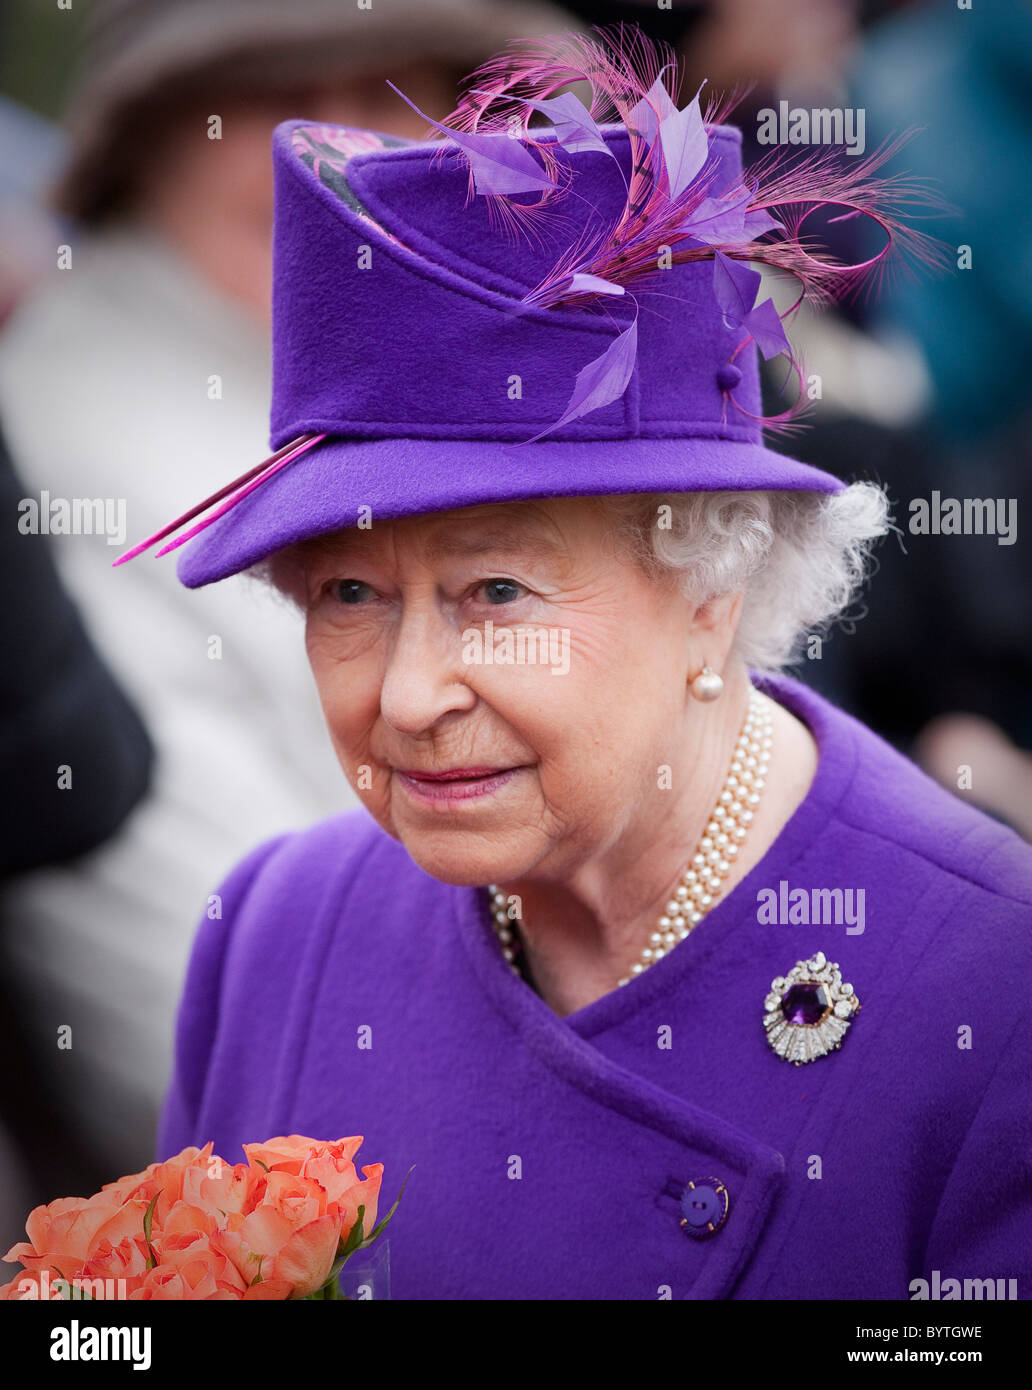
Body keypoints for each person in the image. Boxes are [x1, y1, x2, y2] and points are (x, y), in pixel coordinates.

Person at [150, 31, 1031, 1299]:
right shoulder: (278, 932)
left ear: (711, 592)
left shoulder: (985, 1000)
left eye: (496, 591)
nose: (406, 698)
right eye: (348, 592)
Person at [0, 0, 570, 1185]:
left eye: (393, 97)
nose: (340, 151)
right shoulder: (79, 446)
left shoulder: (370, 391)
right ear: (148, 133)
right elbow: (197, 1036)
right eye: (273, 97)